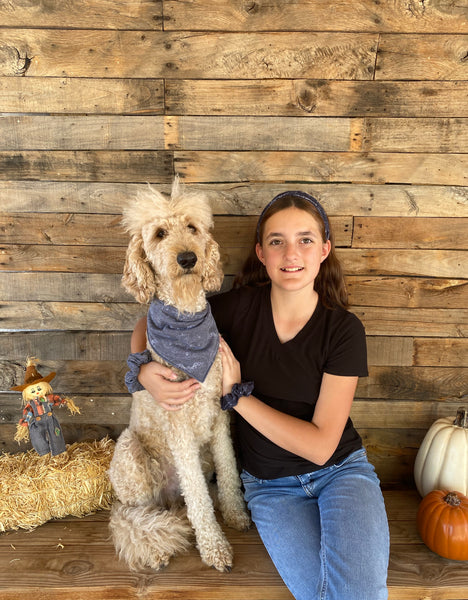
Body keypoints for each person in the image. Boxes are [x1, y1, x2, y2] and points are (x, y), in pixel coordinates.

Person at [130, 190, 389, 600]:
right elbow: (156, 318)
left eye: (305, 239)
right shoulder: (234, 310)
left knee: (358, 591)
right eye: (276, 241)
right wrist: (142, 370)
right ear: (261, 253)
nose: (291, 253)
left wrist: (237, 397)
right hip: (270, 488)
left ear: (324, 249)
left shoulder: (343, 330)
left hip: (340, 472)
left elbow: (322, 447)